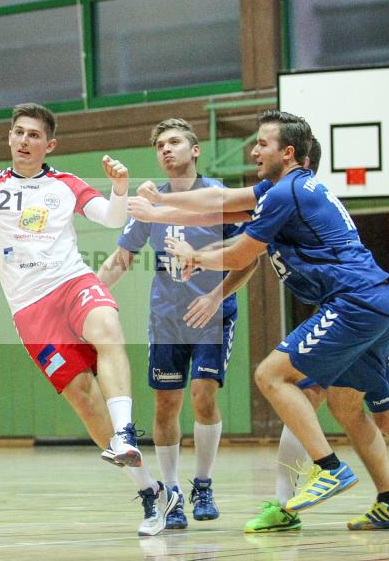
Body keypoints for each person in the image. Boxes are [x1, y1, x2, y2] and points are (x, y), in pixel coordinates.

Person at [137, 126, 389, 531]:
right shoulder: (284, 192)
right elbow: (219, 202)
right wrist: (159, 204)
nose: (253, 151)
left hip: (353, 303)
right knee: (360, 410)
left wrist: (194, 254)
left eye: (261, 144)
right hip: (371, 302)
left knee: (273, 376)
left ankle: (326, 472)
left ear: (287, 153)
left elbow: (239, 252)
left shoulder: (285, 194)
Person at [0, 102, 178, 536]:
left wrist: (120, 188)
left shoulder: (65, 184)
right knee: (85, 400)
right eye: (18, 132)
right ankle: (152, 492)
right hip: (31, 311)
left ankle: (125, 432)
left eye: (34, 135)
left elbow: (110, 216)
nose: (24, 141)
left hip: (72, 282)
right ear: (9, 138)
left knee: (106, 327)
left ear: (49, 144)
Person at [97, 118, 256, 528]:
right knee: (166, 403)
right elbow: (121, 259)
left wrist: (215, 295)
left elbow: (248, 258)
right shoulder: (149, 204)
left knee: (203, 396)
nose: (166, 150)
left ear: (195, 149)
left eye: (174, 142)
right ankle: (171, 493)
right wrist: (87, 292)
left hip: (213, 314)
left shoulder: (222, 196)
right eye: (159, 146)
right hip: (166, 318)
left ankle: (203, 482)